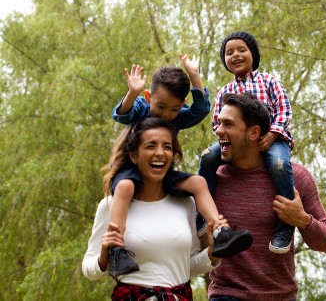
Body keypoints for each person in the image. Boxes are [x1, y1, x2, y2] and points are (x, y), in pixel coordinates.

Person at [108, 55, 252, 277]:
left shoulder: (177, 118)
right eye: (161, 106)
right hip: (131, 171)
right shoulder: (141, 107)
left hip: (163, 173)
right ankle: (116, 250)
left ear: (181, 105)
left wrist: (194, 75)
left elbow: (201, 110)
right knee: (125, 187)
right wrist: (133, 92)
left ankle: (220, 231)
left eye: (174, 109)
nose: (166, 115)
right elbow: (121, 115)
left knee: (198, 182)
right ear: (148, 97)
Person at [83, 117, 229, 300]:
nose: (160, 153)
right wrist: (103, 257)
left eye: (167, 147)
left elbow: (188, 266)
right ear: (133, 155)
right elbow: (89, 269)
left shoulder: (186, 204)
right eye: (151, 146)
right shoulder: (111, 205)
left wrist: (212, 254)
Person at [207, 93, 326, 301]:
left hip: (281, 296)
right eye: (219, 123)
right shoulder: (211, 181)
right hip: (227, 294)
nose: (219, 130)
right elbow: (193, 246)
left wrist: (302, 220)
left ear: (254, 132)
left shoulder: (295, 178)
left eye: (228, 124)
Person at [198, 31, 296, 254]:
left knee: (279, 165)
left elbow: (283, 111)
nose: (235, 55)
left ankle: (285, 223)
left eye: (242, 50)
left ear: (253, 54)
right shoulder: (225, 91)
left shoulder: (269, 82)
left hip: (273, 140)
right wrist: (226, 136)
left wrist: (271, 134)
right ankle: (202, 212)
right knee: (207, 156)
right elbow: (217, 123)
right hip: (237, 142)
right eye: (229, 52)